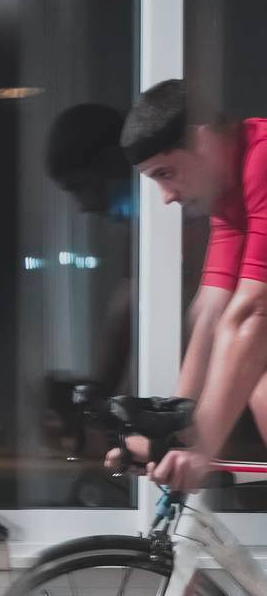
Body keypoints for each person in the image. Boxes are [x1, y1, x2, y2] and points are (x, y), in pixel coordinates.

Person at [110, 79, 267, 489]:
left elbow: (253, 312)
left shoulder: (264, 159)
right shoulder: (230, 192)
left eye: (166, 173)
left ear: (204, 141)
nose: (165, 196)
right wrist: (171, 435)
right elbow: (211, 312)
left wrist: (201, 452)